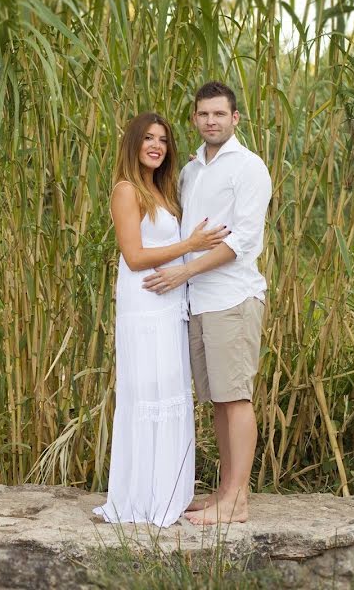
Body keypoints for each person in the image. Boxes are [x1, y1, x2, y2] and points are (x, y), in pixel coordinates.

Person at [143, 82, 272, 525]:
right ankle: (224, 492)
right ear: (195, 119)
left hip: (231, 297)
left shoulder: (249, 168)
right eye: (204, 115)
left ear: (235, 118)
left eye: (220, 114)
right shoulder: (192, 169)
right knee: (218, 398)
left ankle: (237, 500)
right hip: (198, 303)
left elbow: (244, 241)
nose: (211, 121)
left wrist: (182, 271)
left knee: (236, 397)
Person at [93, 112, 229, 528]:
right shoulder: (126, 190)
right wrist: (190, 244)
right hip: (145, 304)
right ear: (133, 143)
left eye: (164, 140)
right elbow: (134, 257)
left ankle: (169, 493)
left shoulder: (162, 190)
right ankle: (141, 498)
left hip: (172, 305)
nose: (156, 145)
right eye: (148, 138)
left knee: (171, 392)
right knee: (147, 394)